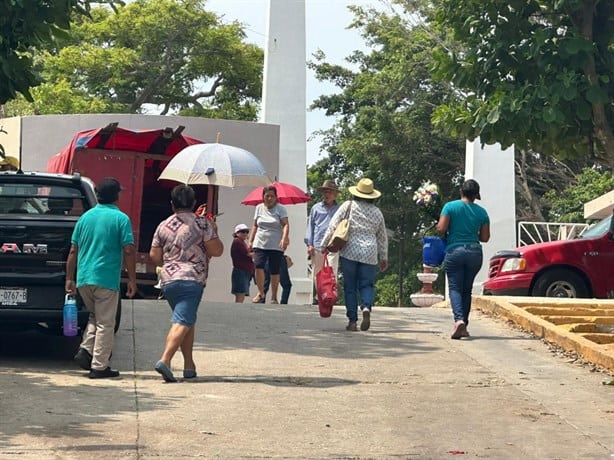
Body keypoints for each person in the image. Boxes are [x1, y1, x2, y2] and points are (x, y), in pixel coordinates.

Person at [149, 184, 223, 382]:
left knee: (187, 319)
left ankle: (189, 365)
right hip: (192, 278)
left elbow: (154, 255)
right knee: (182, 321)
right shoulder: (202, 223)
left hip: (169, 280)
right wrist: (213, 230)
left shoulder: (163, 224)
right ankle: (165, 360)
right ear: (193, 203)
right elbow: (217, 250)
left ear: (172, 204)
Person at [65, 177, 137, 379]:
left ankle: (86, 350)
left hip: (84, 278)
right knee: (107, 323)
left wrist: (69, 278)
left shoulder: (85, 218)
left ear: (97, 195)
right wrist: (132, 279)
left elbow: (73, 250)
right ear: (117, 196)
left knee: (95, 317)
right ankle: (99, 366)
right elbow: (129, 250)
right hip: (105, 278)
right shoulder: (121, 219)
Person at [321, 178, 388, 332]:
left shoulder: (348, 205)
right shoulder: (377, 212)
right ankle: (366, 307)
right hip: (370, 252)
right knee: (366, 284)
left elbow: (333, 225)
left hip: (349, 251)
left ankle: (352, 321)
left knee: (350, 286)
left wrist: (324, 244)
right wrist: (384, 257)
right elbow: (382, 236)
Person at [436, 179, 490, 340]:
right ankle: (464, 325)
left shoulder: (450, 207)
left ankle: (458, 320)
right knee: (467, 289)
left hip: (455, 251)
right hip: (474, 253)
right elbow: (485, 237)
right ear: (476, 196)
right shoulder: (482, 212)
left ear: (461, 192)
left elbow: (441, 228)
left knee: (455, 288)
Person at [247, 185, 289, 304]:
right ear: (263, 197)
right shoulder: (259, 208)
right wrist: (250, 240)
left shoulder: (281, 209)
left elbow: (286, 224)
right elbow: (255, 225)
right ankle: (260, 293)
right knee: (258, 266)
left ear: (276, 197)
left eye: (272, 196)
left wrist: (284, 238)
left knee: (274, 270)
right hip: (260, 243)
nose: (269, 198)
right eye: (267, 196)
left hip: (275, 244)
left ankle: (274, 297)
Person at [305, 179, 340, 299]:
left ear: (335, 194)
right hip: (318, 245)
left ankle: (330, 295)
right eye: (325, 191)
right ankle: (320, 296)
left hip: (333, 246)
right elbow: (310, 226)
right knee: (317, 272)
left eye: (330, 192)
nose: (327, 194)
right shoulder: (316, 208)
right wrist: (309, 244)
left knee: (331, 270)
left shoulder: (339, 210)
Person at [231, 223, 254, 303]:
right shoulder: (238, 242)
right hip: (241, 271)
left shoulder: (242, 243)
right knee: (240, 293)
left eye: (246, 232)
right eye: (242, 231)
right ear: (237, 233)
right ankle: (237, 310)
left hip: (244, 271)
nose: (245, 233)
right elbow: (248, 254)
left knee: (242, 293)